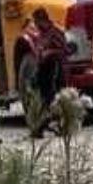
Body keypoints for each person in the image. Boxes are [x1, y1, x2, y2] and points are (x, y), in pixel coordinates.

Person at [18, 8, 67, 137]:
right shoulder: (41, 34)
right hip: (42, 72)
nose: (36, 25)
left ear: (43, 20)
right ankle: (38, 128)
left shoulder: (55, 33)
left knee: (53, 101)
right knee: (39, 101)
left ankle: (57, 126)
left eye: (37, 21)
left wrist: (49, 53)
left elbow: (64, 50)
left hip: (53, 71)